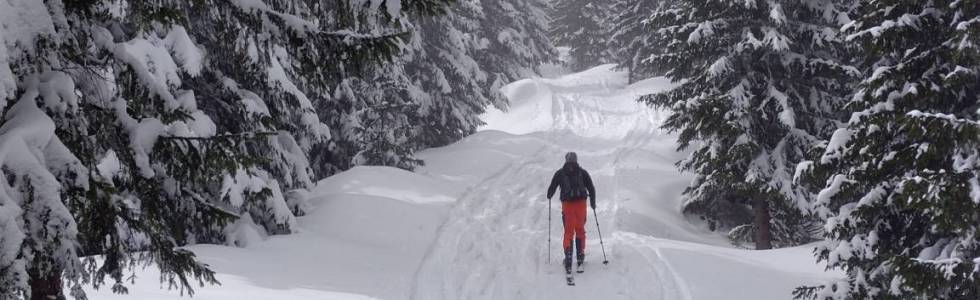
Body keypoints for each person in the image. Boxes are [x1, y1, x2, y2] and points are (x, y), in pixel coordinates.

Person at [546, 152, 596, 275]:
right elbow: (591, 188)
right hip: (581, 205)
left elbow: (551, 190)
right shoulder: (582, 172)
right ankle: (580, 258)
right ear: (576, 160)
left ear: (566, 160)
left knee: (568, 232)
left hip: (567, 206)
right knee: (580, 230)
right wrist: (593, 203)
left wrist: (550, 195)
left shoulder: (560, 173)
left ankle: (568, 260)